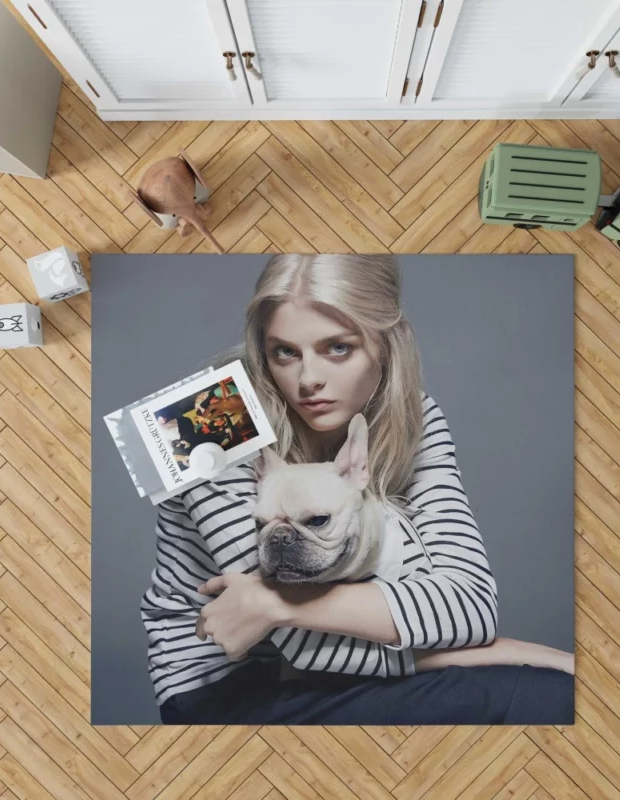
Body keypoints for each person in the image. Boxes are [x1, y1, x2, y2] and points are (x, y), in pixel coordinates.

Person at [142, 254, 574, 725]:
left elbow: (470, 606)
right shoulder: (197, 421)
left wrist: (269, 601)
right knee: (539, 695)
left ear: (386, 345)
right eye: (284, 352)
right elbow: (308, 649)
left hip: (349, 668)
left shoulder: (415, 417)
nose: (308, 379)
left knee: (548, 696)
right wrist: (501, 652)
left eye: (338, 348)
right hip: (228, 688)